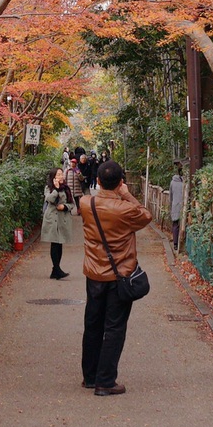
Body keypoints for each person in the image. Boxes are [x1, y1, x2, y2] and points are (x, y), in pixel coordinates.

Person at [78, 159, 152, 396]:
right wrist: (127, 195)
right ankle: (106, 381)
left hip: (94, 274)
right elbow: (146, 216)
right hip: (120, 274)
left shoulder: (85, 203)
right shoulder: (126, 209)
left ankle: (90, 377)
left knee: (92, 324)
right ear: (121, 182)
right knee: (114, 327)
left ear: (97, 181)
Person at [38, 168, 75, 280]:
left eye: (61, 174)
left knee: (60, 243)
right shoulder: (48, 188)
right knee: (54, 243)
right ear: (53, 177)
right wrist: (56, 189)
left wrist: (65, 207)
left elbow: (71, 204)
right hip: (52, 219)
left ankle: (55, 270)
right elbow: (49, 199)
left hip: (62, 219)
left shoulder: (67, 189)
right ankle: (57, 269)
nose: (61, 176)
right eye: (58, 175)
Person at [168, 165, 187, 252]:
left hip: (175, 205)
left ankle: (175, 244)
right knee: (183, 225)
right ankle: (181, 243)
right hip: (184, 206)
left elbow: (170, 196)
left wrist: (170, 205)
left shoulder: (172, 182)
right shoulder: (185, 183)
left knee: (175, 224)